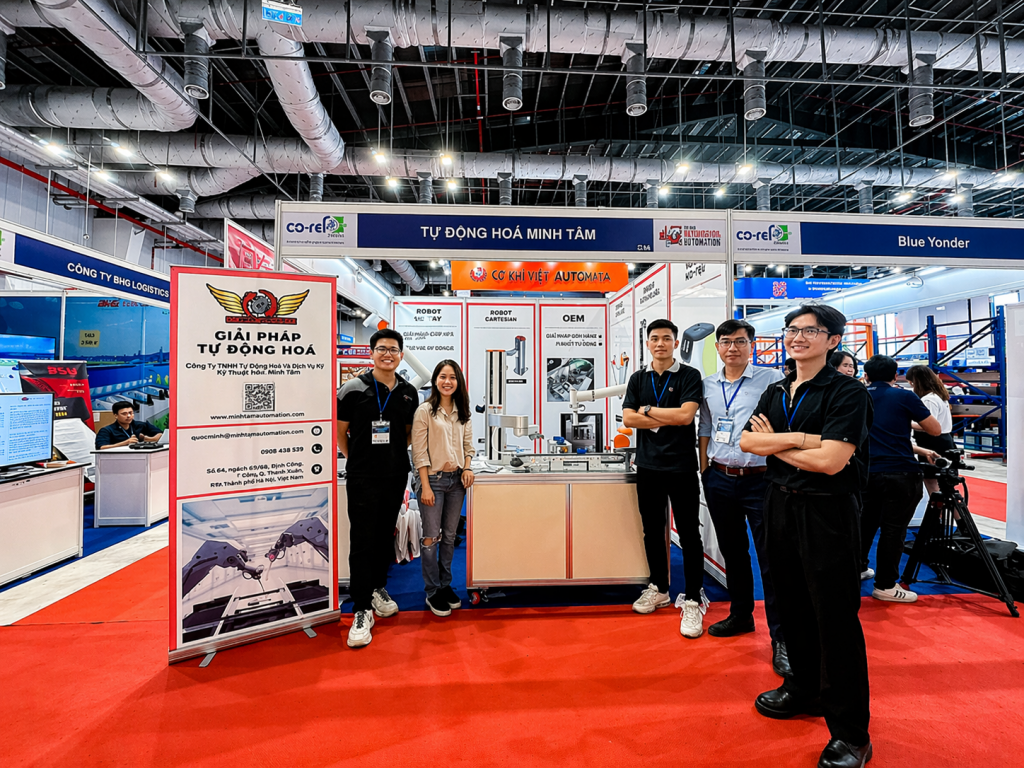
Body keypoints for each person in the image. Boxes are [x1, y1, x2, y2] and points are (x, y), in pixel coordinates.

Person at [740, 305, 874, 768]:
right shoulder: (777, 389)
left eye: (809, 331)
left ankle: (852, 734)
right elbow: (748, 443)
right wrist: (804, 439)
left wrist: (781, 440)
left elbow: (831, 462)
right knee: (790, 604)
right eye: (791, 330)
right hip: (778, 503)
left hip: (827, 511)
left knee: (834, 618)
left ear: (833, 340)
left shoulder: (847, 392)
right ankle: (803, 688)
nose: (797, 337)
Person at [698, 319, 790, 677]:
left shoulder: (771, 380)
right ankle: (740, 615)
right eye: (725, 342)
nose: (732, 348)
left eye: (739, 341)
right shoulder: (708, 385)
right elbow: (707, 427)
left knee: (772, 556)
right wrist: (705, 468)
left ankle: (782, 638)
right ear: (717, 347)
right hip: (720, 478)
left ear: (751, 345)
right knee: (733, 551)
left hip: (761, 480)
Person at [621, 318, 707, 638]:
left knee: (689, 534)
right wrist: (658, 414)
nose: (660, 343)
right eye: (655, 338)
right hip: (648, 468)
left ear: (675, 343)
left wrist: (646, 410)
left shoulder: (689, 375)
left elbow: (686, 416)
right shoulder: (637, 378)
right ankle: (659, 588)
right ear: (648, 343)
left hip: (682, 467)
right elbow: (628, 419)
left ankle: (693, 598)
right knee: (652, 531)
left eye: (666, 338)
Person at [337, 328, 419, 648]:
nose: (388, 354)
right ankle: (361, 608)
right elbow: (340, 433)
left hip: (395, 475)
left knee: (386, 536)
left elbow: (408, 433)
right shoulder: (352, 389)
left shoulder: (408, 392)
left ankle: (377, 589)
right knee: (362, 540)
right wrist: (357, 459)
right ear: (372, 353)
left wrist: (393, 457)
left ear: (401, 355)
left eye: (394, 349)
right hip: (362, 477)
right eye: (382, 348)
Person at [860, 356, 942, 604]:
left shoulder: (857, 396)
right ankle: (885, 585)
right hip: (900, 471)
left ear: (866, 376)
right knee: (894, 530)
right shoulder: (903, 396)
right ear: (895, 376)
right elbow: (935, 429)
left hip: (865, 471)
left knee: (864, 525)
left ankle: (858, 567)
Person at [411, 359, 475, 618]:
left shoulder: (463, 412)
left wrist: (467, 467)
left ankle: (445, 584)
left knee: (449, 536)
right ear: (435, 380)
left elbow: (468, 446)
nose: (447, 381)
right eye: (442, 376)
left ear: (458, 382)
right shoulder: (425, 411)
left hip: (456, 481)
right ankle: (432, 590)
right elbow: (419, 453)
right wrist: (425, 486)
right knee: (430, 538)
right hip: (433, 481)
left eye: (452, 377)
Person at [905, 365, 956, 497]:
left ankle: (938, 507)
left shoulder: (928, 399)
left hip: (933, 442)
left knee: (933, 481)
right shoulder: (939, 396)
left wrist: (906, 423)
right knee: (943, 482)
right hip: (942, 440)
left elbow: (928, 426)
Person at [95, 401, 162, 449]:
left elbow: (161, 434)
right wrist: (126, 443)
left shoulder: (141, 425)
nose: (129, 416)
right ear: (116, 415)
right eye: (124, 414)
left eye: (131, 413)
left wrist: (147, 439)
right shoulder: (106, 430)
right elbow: (102, 447)